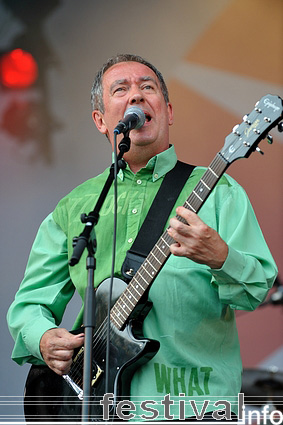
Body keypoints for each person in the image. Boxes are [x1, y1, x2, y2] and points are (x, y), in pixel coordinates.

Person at [7, 54, 277, 421]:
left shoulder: (220, 192)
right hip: (100, 409)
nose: (136, 96)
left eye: (147, 87)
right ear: (101, 121)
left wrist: (221, 256)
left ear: (167, 112)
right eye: (121, 89)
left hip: (197, 406)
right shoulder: (76, 208)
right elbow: (28, 306)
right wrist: (42, 338)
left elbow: (258, 287)